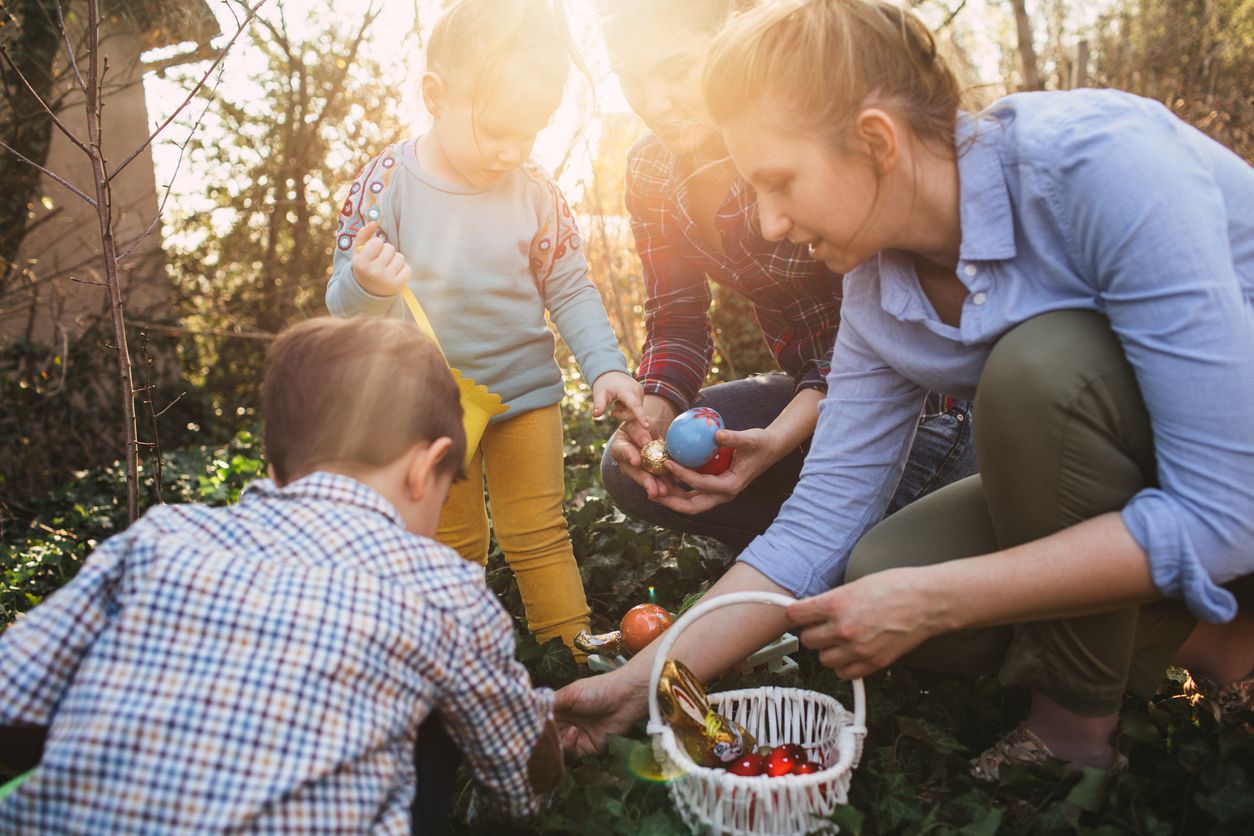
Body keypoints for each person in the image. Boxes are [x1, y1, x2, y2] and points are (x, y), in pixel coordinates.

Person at [557, 0, 1254, 780]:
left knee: (1040, 370)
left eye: (779, 183)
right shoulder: (876, 289)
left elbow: (1228, 509)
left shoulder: (1098, 165)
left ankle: (1073, 726)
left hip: (1234, 467)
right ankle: (1224, 639)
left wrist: (943, 598)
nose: (768, 222)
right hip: (1152, 474)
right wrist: (641, 685)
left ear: (876, 141)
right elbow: (817, 525)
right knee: (882, 566)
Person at [0, 317, 563, 830]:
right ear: (425, 468)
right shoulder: (443, 586)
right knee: (441, 706)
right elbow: (518, 772)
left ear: (273, 466)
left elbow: (12, 699)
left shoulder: (160, 537)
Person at [593, 0, 975, 550]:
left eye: (675, 70)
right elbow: (676, 321)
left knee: (847, 543)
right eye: (629, 79)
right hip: (809, 396)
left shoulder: (806, 144)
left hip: (917, 400)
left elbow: (874, 327)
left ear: (733, 39)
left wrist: (775, 441)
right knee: (621, 471)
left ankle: (853, 543)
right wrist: (651, 419)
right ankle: (817, 549)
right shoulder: (651, 171)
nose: (654, 102)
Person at [327, 0, 646, 655]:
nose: (511, 151)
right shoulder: (385, 184)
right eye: (498, 129)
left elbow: (570, 287)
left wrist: (606, 365)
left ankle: (570, 655)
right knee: (451, 542)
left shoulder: (536, 190)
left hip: (526, 394)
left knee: (539, 529)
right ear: (435, 96)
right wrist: (368, 281)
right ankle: (453, 667)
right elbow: (341, 308)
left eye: (530, 133)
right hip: (430, 408)